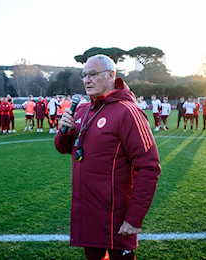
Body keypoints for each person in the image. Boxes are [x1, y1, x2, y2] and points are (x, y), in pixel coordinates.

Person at [55, 54, 161, 260]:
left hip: (116, 217)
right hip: (88, 212)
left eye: (93, 74)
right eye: (84, 75)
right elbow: (62, 147)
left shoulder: (128, 112)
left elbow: (149, 167)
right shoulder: (82, 109)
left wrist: (134, 218)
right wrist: (64, 130)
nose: (87, 80)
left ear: (112, 75)